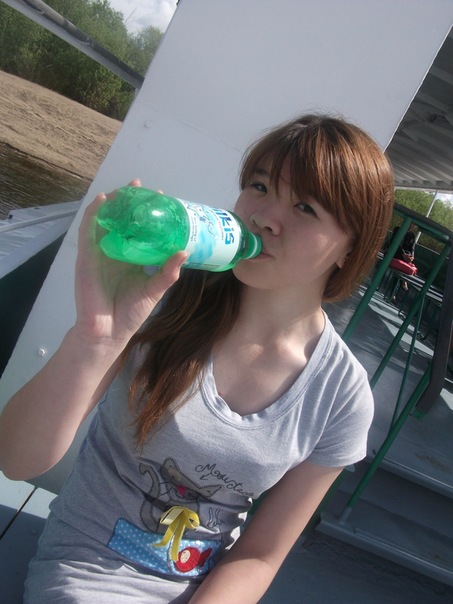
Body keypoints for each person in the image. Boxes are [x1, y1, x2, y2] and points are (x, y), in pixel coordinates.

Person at [0, 114, 394, 603]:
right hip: (87, 574)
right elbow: (16, 459)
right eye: (259, 186)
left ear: (350, 247)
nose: (265, 217)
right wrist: (95, 338)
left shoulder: (341, 397)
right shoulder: (161, 293)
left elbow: (260, 555)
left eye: (304, 207)